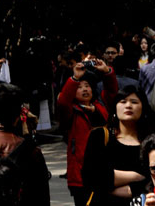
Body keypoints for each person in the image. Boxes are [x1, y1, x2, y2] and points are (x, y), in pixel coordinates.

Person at [58, 58, 118, 206]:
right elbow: (63, 101)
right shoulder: (71, 111)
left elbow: (112, 92)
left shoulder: (102, 105)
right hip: (80, 175)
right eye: (79, 87)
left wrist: (106, 71)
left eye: (87, 86)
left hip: (105, 171)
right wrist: (75, 77)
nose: (85, 89)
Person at [82, 86, 151, 206]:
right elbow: (91, 176)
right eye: (123, 101)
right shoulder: (100, 136)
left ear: (143, 107)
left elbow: (153, 179)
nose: (128, 105)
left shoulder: (151, 141)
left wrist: (111, 185)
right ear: (115, 107)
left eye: (134, 102)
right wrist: (136, 176)